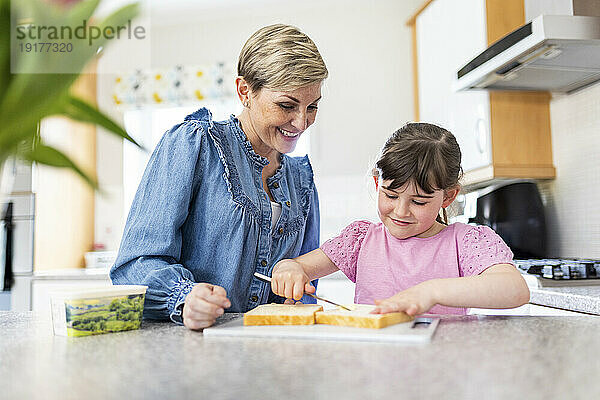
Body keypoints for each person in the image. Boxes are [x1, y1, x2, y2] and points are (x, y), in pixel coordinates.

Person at [110, 24, 328, 329]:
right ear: (245, 91)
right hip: (191, 351)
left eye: (312, 106)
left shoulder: (301, 178)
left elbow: (304, 283)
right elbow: (135, 264)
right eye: (286, 105)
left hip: (273, 356)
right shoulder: (195, 144)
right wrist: (185, 298)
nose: (301, 121)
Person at [271, 122, 530, 315]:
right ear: (377, 184)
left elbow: (514, 288)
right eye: (391, 195)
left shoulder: (465, 242)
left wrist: (432, 291)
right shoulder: (360, 240)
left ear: (448, 197)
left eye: (418, 202)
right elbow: (298, 266)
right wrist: (289, 270)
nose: (401, 211)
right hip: (373, 370)